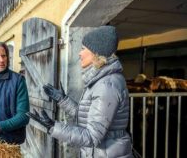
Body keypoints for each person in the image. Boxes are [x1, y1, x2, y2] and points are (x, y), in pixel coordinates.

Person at [27, 26, 133, 157]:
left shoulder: (106, 85)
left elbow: (92, 137)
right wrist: (63, 100)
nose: (79, 53)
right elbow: (89, 119)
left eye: (83, 49)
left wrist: (54, 127)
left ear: (96, 53)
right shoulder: (100, 80)